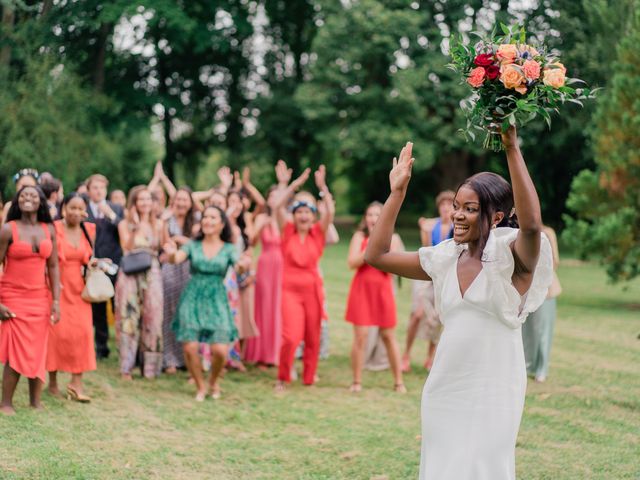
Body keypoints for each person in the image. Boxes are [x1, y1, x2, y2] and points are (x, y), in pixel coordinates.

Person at [364, 128, 553, 480]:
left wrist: (511, 148)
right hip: (446, 386)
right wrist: (397, 193)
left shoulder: (513, 259)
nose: (458, 216)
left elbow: (530, 225)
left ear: (496, 217)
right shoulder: (445, 259)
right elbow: (376, 255)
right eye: (456, 207)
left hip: (494, 388)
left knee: (484, 468)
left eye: (470, 209)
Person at [165, 206, 250, 401]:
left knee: (220, 350)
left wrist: (243, 265)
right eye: (205, 217)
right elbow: (177, 258)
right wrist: (171, 253)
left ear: (221, 224)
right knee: (190, 347)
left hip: (217, 297)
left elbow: (238, 266)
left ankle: (213, 381)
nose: (208, 221)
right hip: (193, 296)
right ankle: (200, 386)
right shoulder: (193, 245)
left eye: (213, 217)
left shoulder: (229, 248)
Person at [0, 185, 60, 414]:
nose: (28, 198)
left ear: (40, 201)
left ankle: (35, 401)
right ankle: (6, 402)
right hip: (12, 296)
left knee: (38, 349)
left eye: (33, 195)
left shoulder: (49, 230)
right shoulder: (8, 229)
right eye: (23, 195)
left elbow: (53, 266)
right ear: (17, 200)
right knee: (15, 351)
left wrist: (56, 301)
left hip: (39, 297)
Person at [274, 165, 335, 391]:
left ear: (312, 216)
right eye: (299, 211)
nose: (303, 215)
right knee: (290, 337)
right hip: (289, 289)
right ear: (294, 214)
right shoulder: (287, 231)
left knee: (312, 335)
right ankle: (282, 378)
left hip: (312, 289)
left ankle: (309, 378)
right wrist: (293, 186)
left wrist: (322, 188)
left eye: (307, 212)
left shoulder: (318, 233)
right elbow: (277, 206)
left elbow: (329, 212)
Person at [345, 201, 405, 392]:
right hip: (362, 290)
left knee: (388, 336)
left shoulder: (392, 238)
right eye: (369, 215)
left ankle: (398, 382)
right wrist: (370, 246)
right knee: (360, 337)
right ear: (365, 218)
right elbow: (352, 262)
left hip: (382, 291)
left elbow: (393, 264)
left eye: (377, 215)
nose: (372, 218)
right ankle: (356, 381)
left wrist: (379, 243)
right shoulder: (359, 237)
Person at [46, 193, 99, 402]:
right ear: (63, 208)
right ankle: (52, 382)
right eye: (72, 208)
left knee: (83, 333)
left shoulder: (89, 229)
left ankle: (76, 383)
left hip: (80, 289)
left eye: (80, 208)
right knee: (57, 333)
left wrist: (93, 263)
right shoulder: (54, 228)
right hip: (57, 286)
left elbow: (88, 257)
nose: (76, 212)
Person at [115, 186, 166, 380]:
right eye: (140, 199)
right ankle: (126, 367)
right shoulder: (124, 224)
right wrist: (135, 227)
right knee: (129, 317)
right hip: (130, 271)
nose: (145, 203)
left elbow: (164, 248)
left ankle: (150, 368)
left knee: (153, 317)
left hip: (152, 271)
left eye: (148, 199)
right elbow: (126, 247)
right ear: (134, 203)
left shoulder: (160, 224)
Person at [402, 190, 455, 372]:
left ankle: (430, 358)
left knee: (438, 318)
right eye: (443, 204)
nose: (446, 208)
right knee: (417, 315)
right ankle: (406, 354)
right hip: (427, 275)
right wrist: (423, 228)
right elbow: (426, 250)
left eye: (450, 204)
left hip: (444, 278)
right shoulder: (432, 226)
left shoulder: (458, 227)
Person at [85, 174, 125, 359]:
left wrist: (111, 215)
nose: (99, 191)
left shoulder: (116, 209)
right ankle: (101, 347)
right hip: (94, 264)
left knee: (118, 305)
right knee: (98, 306)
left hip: (115, 262)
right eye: (95, 187)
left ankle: (123, 346)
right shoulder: (84, 209)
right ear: (89, 190)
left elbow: (124, 231)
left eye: (102, 188)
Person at [161, 187, 199, 373]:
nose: (182, 203)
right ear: (173, 201)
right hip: (170, 268)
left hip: (190, 270)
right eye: (179, 199)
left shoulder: (198, 220)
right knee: (169, 313)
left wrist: (181, 239)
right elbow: (165, 243)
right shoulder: (167, 220)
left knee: (187, 314)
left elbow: (199, 244)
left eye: (185, 200)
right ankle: (170, 359)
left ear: (191, 202)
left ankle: (187, 357)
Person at [244, 186, 283, 368]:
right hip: (266, 265)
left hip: (282, 266)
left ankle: (276, 353)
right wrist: (260, 225)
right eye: (272, 196)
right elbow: (251, 241)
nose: (274, 200)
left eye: (278, 197)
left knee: (279, 308)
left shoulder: (284, 220)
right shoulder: (262, 218)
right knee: (265, 307)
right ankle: (261, 354)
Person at [522, 225, 562, 383]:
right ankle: (526, 366)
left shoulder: (547, 232)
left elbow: (555, 260)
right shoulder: (519, 232)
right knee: (525, 330)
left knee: (543, 330)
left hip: (546, 289)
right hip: (524, 289)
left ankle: (542, 369)